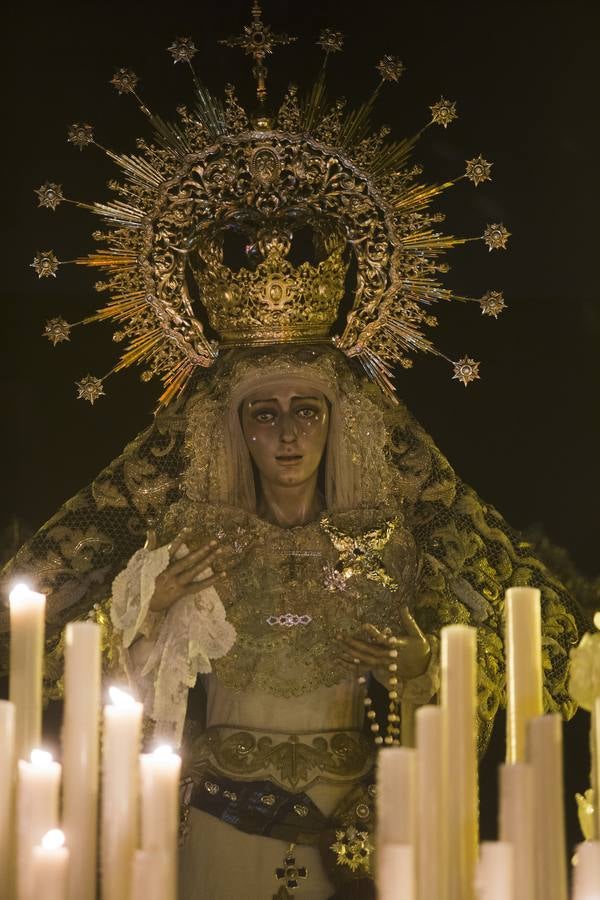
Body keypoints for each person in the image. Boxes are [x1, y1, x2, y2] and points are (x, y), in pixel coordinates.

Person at [0, 9, 585, 898]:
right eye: (263, 413)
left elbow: (464, 685)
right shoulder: (190, 547)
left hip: (357, 832)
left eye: (306, 410)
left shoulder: (384, 544)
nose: (284, 434)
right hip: (214, 824)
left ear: (338, 422)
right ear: (230, 430)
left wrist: (422, 671)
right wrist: (148, 618)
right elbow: (111, 692)